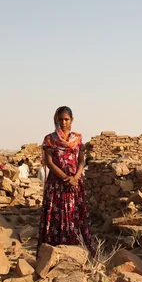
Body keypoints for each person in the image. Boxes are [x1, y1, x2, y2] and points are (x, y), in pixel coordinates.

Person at [38, 106, 93, 250]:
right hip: (57, 185)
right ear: (56, 120)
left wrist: (75, 177)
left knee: (75, 216)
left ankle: (77, 251)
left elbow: (81, 161)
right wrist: (65, 178)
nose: (63, 122)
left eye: (66, 119)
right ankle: (54, 252)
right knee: (57, 217)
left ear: (72, 120)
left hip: (75, 184)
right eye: (60, 119)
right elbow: (49, 162)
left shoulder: (77, 138)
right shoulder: (50, 139)